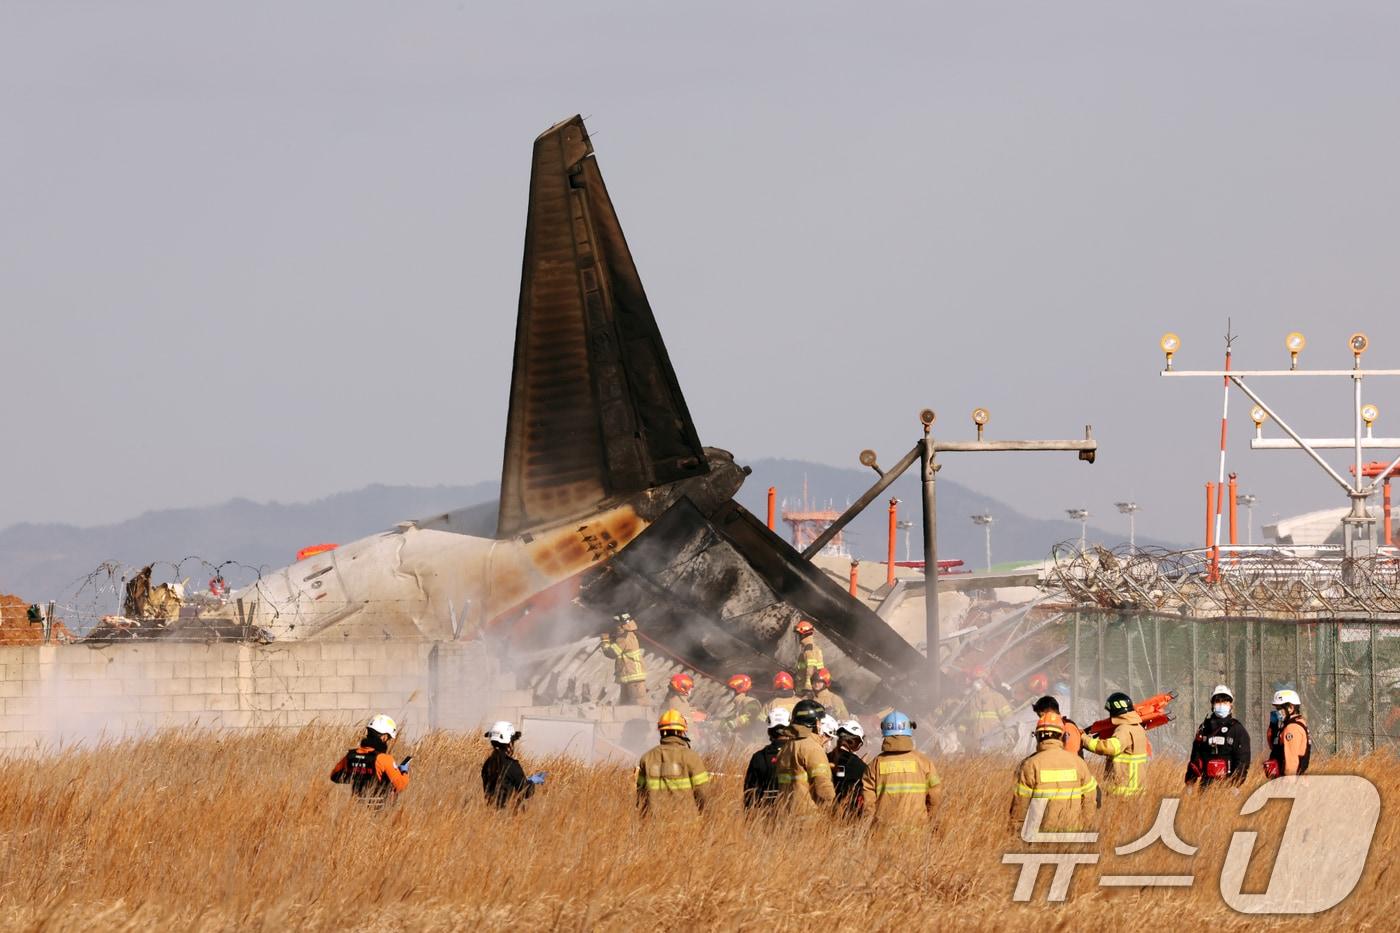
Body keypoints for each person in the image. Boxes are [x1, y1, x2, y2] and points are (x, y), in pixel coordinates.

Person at [1010, 711, 1097, 833]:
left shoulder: (1030, 765)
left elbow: (1020, 807)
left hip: (1040, 837)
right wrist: (1087, 828)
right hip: (1073, 835)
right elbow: (1090, 800)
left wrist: (1015, 833)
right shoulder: (1078, 763)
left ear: (1038, 737)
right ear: (1063, 736)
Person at [860, 711, 942, 830]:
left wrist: (869, 829)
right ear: (909, 730)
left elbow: (868, 803)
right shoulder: (924, 762)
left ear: (884, 731)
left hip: (883, 833)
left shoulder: (875, 764)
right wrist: (932, 820)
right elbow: (935, 796)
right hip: (917, 831)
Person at [636, 709, 710, 816]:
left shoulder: (647, 758)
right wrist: (707, 818)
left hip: (653, 824)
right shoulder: (691, 757)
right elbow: (703, 793)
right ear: (682, 732)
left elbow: (640, 795)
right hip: (685, 823)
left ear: (661, 731)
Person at [329, 714, 410, 807]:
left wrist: (356, 773)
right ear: (383, 737)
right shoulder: (384, 759)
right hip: (379, 809)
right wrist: (404, 771)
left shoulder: (351, 755)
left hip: (355, 809)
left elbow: (334, 776)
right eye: (388, 738)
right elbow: (400, 785)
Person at [1081, 692, 1150, 798]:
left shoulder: (1124, 730)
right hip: (1137, 791)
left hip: (1123, 793)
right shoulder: (1137, 727)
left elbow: (1109, 748)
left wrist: (1084, 739)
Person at [1184, 685, 1250, 788]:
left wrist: (1235, 784)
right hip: (1205, 785)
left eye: (1225, 702)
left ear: (1231, 705)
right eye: (1218, 702)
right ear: (1212, 705)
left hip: (1227, 786)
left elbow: (1243, 760)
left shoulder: (1237, 729)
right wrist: (1190, 782)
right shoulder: (1204, 727)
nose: (1221, 705)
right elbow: (1195, 756)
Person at [775, 698, 835, 812]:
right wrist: (830, 809)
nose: (820, 725)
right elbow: (823, 786)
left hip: (784, 815)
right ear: (814, 723)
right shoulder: (813, 748)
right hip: (807, 816)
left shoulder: (786, 747)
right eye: (820, 722)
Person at [481, 720, 545, 809]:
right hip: (508, 815)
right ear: (509, 743)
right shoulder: (511, 765)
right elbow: (526, 792)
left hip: (490, 814)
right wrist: (532, 781)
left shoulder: (487, 763)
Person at [743, 707, 792, 810]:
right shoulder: (799, 753)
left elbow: (750, 793)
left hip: (765, 816)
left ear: (769, 731)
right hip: (794, 815)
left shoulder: (758, 757)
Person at [601, 612, 647, 705]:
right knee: (626, 703)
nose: (614, 625)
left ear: (620, 624)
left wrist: (605, 641)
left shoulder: (623, 638)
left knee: (638, 703)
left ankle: (639, 719)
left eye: (615, 623)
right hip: (630, 674)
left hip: (632, 674)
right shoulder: (627, 634)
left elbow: (612, 653)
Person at [1265, 688, 1310, 778]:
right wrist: (1273, 727)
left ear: (1290, 708)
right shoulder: (1291, 724)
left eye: (1279, 708)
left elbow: (1291, 760)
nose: (1277, 712)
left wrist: (1288, 785)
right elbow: (1273, 746)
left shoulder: (1292, 728)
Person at [967, 668, 1015, 751]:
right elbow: (968, 722)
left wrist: (1007, 738)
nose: (975, 682)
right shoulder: (971, 700)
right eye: (973, 680)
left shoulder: (996, 697)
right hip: (976, 744)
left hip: (994, 742)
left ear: (985, 681)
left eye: (978, 679)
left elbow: (1009, 719)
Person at [830, 719, 867, 818]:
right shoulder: (860, 766)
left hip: (824, 813)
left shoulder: (824, 757)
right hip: (849, 817)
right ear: (856, 742)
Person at [724, 674, 764, 740]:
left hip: (747, 741)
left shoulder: (751, 702)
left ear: (738, 689)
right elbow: (727, 719)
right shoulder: (736, 704)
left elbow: (750, 716)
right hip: (735, 739)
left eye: (730, 689)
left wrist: (732, 723)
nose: (728, 692)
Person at [794, 620, 825, 692]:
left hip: (805, 690)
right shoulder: (813, 648)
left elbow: (811, 669)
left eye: (799, 634)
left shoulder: (809, 649)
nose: (798, 637)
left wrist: (808, 688)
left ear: (803, 634)